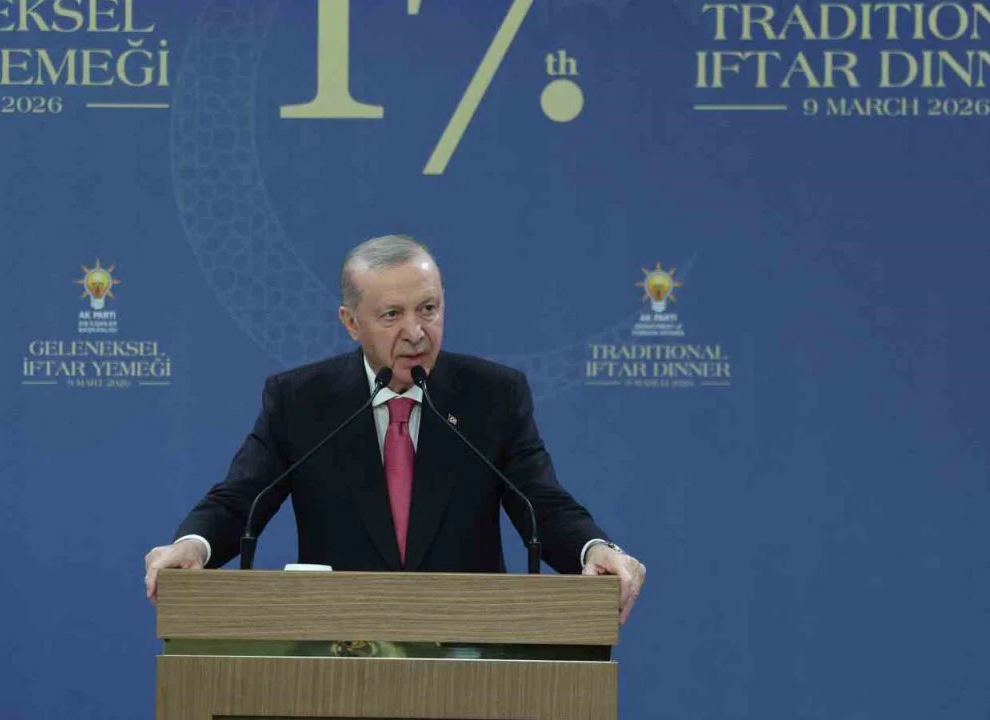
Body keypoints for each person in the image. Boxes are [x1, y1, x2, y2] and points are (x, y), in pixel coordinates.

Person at [144, 235, 646, 624]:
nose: (416, 332)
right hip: (339, 650)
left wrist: (596, 549)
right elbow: (240, 501)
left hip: (468, 649)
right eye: (391, 315)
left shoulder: (493, 396)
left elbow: (542, 504)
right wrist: (193, 544)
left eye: (428, 309)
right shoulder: (301, 402)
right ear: (351, 322)